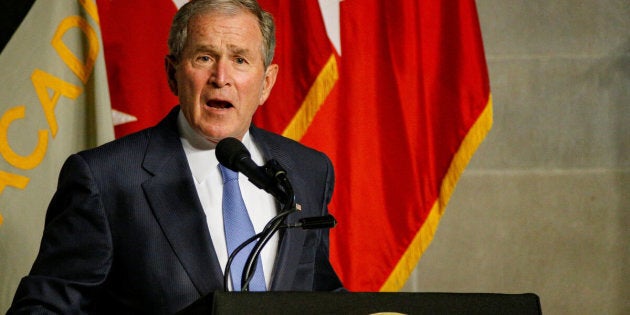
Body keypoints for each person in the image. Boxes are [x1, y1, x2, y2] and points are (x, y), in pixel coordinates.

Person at [8, 0, 343, 313]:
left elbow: (316, 289)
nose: (221, 78)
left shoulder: (307, 170)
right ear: (173, 73)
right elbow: (43, 308)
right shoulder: (105, 177)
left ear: (267, 82)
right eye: (204, 58)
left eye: (240, 60)